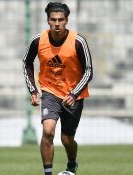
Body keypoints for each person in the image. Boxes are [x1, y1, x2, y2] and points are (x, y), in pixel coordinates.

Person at [22, 2, 93, 175]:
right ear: (48, 21)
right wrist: (33, 90)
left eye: (60, 19)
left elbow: (89, 70)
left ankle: (72, 163)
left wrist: (74, 93)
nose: (57, 23)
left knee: (67, 139)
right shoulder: (38, 41)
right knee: (48, 131)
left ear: (66, 20)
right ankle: (48, 173)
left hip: (73, 96)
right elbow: (26, 63)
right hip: (50, 92)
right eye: (53, 19)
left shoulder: (78, 41)